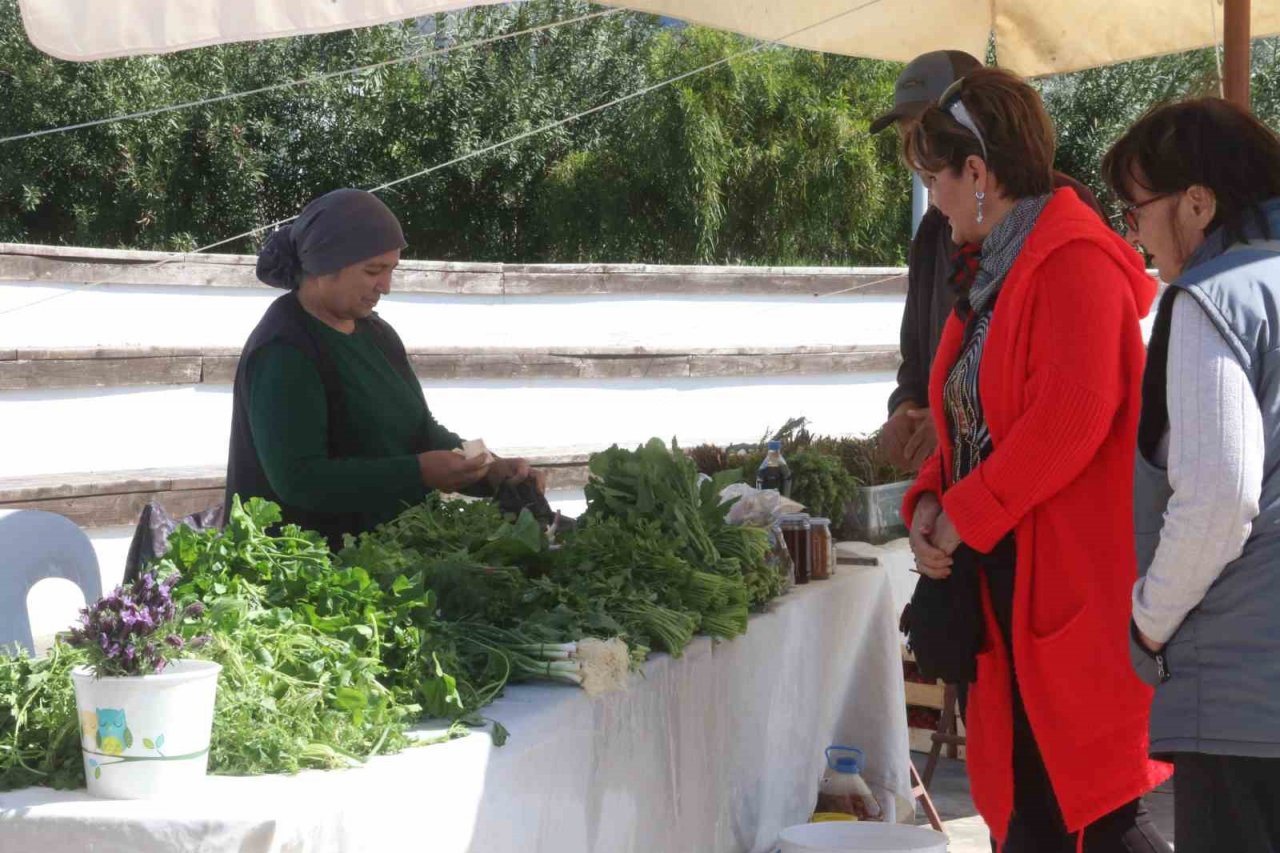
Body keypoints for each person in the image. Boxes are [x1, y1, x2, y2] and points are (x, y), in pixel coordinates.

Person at [901, 68, 1170, 851]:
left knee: (1090, 822)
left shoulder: (1073, 260)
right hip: (1009, 595)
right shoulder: (1004, 266)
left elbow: (1067, 424)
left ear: (978, 174)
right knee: (1035, 820)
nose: (936, 200)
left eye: (936, 179)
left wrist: (958, 518)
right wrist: (927, 501)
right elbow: (968, 417)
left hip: (1063, 598)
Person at [1103, 98, 1280, 853]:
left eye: (1137, 208)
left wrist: (1149, 617)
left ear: (1198, 203)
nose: (1133, 232)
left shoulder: (1211, 299)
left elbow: (1217, 499)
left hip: (1245, 698)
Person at [225, 188, 544, 548]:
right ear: (322, 267)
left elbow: (419, 431)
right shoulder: (284, 349)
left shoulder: (377, 335)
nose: (386, 286)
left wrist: (490, 469)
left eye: (391, 270)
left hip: (387, 554)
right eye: (373, 270)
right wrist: (420, 472)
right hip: (305, 571)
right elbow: (300, 480)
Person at [872, 51, 1104, 472]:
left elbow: (1060, 418)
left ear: (975, 162)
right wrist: (907, 411)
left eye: (930, 126)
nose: (915, 136)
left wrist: (952, 429)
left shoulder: (1069, 233)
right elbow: (921, 353)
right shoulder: (935, 233)